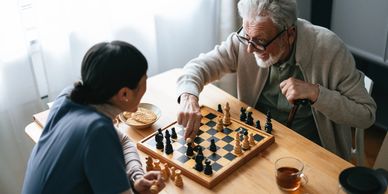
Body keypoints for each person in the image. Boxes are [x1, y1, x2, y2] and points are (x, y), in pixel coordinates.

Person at [176, 0, 376, 160]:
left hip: (311, 151)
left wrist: (317, 93)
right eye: (247, 36)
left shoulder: (329, 49)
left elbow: (366, 114)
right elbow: (198, 67)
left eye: (260, 41)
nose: (249, 49)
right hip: (257, 142)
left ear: (289, 34)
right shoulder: (247, 39)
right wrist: (188, 96)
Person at [22, 41, 165, 194]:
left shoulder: (69, 96)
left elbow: (123, 141)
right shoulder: (97, 130)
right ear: (124, 94)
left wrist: (136, 178)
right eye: (144, 80)